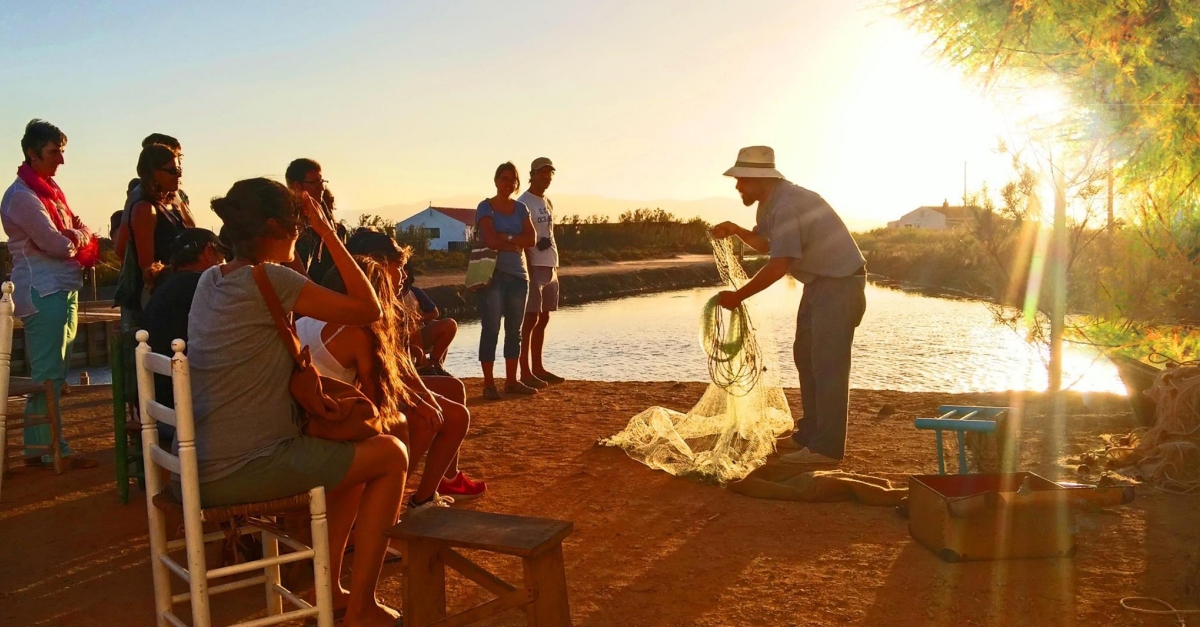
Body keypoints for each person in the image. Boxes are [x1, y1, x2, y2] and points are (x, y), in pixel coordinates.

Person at [186, 177, 407, 626]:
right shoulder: (270, 278)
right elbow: (370, 310)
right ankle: (361, 607)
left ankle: (333, 589)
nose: (300, 232)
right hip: (243, 466)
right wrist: (328, 232)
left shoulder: (211, 280)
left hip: (199, 464)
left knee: (351, 462)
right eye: (296, 225)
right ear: (271, 226)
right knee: (392, 454)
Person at [712, 146, 867, 465]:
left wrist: (738, 296)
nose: (737, 186)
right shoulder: (770, 204)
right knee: (806, 357)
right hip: (820, 284)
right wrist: (737, 230)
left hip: (840, 284)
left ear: (760, 179)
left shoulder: (786, 204)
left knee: (828, 366)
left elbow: (779, 264)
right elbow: (768, 244)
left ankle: (826, 450)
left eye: (741, 179)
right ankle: (809, 435)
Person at [304, 252, 484, 508]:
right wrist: (419, 403)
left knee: (437, 410)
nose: (401, 277)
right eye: (397, 270)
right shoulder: (355, 330)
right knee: (418, 420)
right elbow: (380, 399)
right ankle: (383, 503)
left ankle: (410, 500)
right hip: (329, 424)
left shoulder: (309, 320)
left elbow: (395, 374)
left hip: (313, 418)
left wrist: (422, 398)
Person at [0, 119, 99, 469]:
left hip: (63, 289)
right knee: (47, 375)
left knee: (55, 375)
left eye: (62, 151)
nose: (61, 159)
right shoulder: (22, 197)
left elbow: (75, 230)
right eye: (54, 152)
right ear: (32, 152)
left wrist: (76, 235)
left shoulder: (49, 192)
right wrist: (79, 236)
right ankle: (46, 451)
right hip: (42, 290)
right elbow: (56, 243)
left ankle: (48, 447)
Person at [140, 228, 226, 442]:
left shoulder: (164, 287)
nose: (225, 262)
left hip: (158, 407)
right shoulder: (205, 286)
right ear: (209, 252)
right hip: (186, 413)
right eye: (222, 255)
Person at [475, 162, 537, 400]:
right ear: (496, 180)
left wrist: (508, 238)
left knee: (514, 331)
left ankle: (511, 381)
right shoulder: (485, 207)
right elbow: (491, 239)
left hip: (519, 276)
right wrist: (515, 242)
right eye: (504, 178)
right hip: (493, 276)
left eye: (512, 179)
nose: (508, 183)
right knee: (490, 329)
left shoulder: (521, 209)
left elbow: (531, 239)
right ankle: (489, 384)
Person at [113, 143, 194, 312]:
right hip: (162, 293)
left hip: (179, 286)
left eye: (180, 170)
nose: (178, 176)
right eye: (172, 171)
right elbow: (148, 266)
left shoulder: (174, 204)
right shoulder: (145, 208)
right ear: (153, 173)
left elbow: (193, 231)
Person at [517, 157, 565, 388]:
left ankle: (538, 367)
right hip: (533, 266)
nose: (546, 177)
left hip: (550, 265)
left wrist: (554, 264)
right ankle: (524, 371)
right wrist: (527, 266)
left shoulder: (547, 202)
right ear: (532, 174)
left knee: (544, 317)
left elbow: (549, 233)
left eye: (549, 173)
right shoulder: (523, 203)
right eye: (542, 173)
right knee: (529, 319)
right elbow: (522, 238)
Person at [286, 158, 348, 283]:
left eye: (321, 182)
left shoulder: (329, 221)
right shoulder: (288, 224)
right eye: (315, 182)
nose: (321, 188)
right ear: (297, 186)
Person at [401, 261, 456, 374]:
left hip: (418, 334)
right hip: (397, 337)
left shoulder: (414, 292)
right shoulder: (383, 294)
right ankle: (423, 365)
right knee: (410, 325)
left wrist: (418, 317)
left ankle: (434, 364)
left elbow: (434, 313)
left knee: (449, 325)